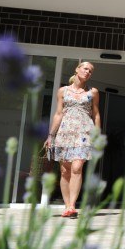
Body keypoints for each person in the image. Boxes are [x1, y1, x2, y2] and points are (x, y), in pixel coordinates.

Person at [45, 61, 101, 218]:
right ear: (77, 70)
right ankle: (67, 205)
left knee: (77, 167)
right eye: (85, 68)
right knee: (64, 171)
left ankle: (72, 205)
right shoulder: (63, 91)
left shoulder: (93, 92)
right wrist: (51, 135)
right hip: (65, 133)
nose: (88, 72)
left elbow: (96, 114)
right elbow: (58, 114)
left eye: (90, 71)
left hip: (84, 133)